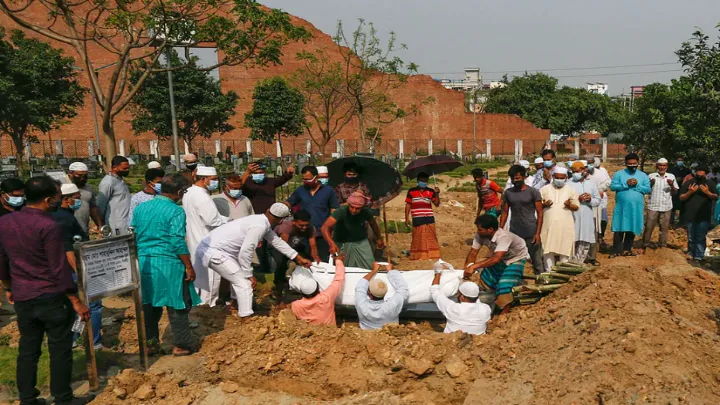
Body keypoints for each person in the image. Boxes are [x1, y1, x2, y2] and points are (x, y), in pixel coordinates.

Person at [0, 176, 92, 405]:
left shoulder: (6, 222)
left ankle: (28, 398)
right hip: (51, 297)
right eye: (58, 198)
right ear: (49, 199)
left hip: (23, 296)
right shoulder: (49, 225)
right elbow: (58, 267)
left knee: (28, 349)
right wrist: (75, 299)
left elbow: (1, 260)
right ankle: (63, 398)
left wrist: (8, 286)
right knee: (60, 348)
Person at [194, 203, 311, 318]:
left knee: (238, 278)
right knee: (244, 283)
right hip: (214, 251)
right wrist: (249, 274)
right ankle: (246, 317)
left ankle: (235, 305)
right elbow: (246, 251)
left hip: (220, 251)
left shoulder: (261, 221)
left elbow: (276, 241)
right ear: (281, 220)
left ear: (268, 210)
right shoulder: (259, 226)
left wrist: (297, 257)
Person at [132, 174, 201, 356]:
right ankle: (182, 344)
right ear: (179, 192)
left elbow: (134, 233)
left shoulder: (141, 208)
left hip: (145, 262)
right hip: (168, 263)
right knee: (177, 304)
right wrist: (188, 266)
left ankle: (150, 344)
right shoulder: (175, 211)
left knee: (149, 305)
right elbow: (177, 241)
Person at [51, 184, 104, 350]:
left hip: (60, 270)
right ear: (66, 199)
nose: (79, 202)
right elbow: (69, 251)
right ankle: (93, 342)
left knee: (73, 307)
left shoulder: (57, 215)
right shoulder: (65, 219)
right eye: (77, 198)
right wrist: (81, 273)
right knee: (93, 305)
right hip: (72, 269)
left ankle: (73, 338)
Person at [182, 165, 229, 306]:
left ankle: (199, 302)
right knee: (211, 275)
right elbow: (212, 220)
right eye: (213, 179)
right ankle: (210, 304)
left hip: (194, 238)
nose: (216, 182)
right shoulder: (202, 196)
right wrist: (229, 221)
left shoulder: (188, 192)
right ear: (203, 179)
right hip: (207, 240)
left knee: (199, 275)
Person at [464, 214, 529, 310]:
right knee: (486, 278)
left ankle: (504, 312)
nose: (478, 231)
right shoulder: (480, 235)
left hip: (515, 258)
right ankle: (492, 299)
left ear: (490, 229)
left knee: (504, 285)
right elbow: (473, 252)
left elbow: (496, 259)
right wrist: (467, 268)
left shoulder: (504, 237)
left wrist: (474, 266)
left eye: (480, 229)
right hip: (501, 256)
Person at [241, 161, 296, 273]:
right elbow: (237, 184)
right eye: (256, 173)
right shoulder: (247, 183)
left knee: (271, 247)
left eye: (261, 172)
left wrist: (289, 172)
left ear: (265, 173)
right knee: (258, 249)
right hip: (255, 221)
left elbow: (283, 179)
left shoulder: (269, 182)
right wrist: (247, 172)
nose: (259, 175)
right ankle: (260, 271)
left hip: (271, 221)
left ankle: (272, 270)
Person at [286, 166, 339, 260]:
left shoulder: (328, 191)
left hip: (322, 233)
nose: (306, 181)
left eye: (308, 179)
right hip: (304, 233)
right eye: (304, 179)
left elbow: (334, 209)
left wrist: (331, 229)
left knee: (322, 260)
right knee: (305, 260)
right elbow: (289, 203)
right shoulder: (300, 191)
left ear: (316, 177)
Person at [321, 191, 385, 269]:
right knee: (342, 268)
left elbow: (373, 224)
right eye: (352, 207)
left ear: (363, 207)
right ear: (348, 204)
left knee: (368, 266)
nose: (354, 210)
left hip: (360, 241)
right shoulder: (341, 211)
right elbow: (325, 227)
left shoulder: (366, 212)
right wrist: (332, 244)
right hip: (342, 242)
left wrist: (379, 238)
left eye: (357, 208)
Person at [499, 165, 544, 274]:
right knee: (514, 259)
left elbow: (540, 213)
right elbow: (505, 213)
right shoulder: (508, 193)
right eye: (513, 178)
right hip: (515, 231)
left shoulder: (533, 192)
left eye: (518, 178)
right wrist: (500, 230)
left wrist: (537, 233)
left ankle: (541, 282)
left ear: (524, 177)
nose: (515, 180)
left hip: (530, 231)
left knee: (537, 260)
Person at [610, 153, 652, 258]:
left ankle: (627, 249)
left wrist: (637, 185)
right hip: (622, 206)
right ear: (626, 164)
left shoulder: (643, 175)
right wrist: (626, 184)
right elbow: (613, 187)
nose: (632, 165)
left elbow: (648, 189)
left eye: (634, 163)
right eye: (630, 164)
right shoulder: (619, 174)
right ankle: (616, 251)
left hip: (636, 207)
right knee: (619, 227)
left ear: (637, 163)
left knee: (632, 226)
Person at [273, 209, 321, 296]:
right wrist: (296, 259)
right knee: (281, 265)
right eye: (301, 225)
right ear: (294, 222)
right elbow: (284, 248)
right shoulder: (285, 227)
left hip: (295, 246)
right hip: (279, 247)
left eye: (306, 225)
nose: (304, 228)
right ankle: (278, 289)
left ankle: (300, 285)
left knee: (307, 261)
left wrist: (316, 259)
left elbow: (313, 247)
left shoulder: (311, 228)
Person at [539, 167, 580, 269]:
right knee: (547, 250)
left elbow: (576, 207)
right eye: (557, 178)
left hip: (565, 226)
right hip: (548, 226)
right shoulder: (544, 189)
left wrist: (569, 205)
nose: (559, 180)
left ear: (566, 177)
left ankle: (562, 274)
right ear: (553, 177)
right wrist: (544, 205)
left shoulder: (571, 190)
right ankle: (549, 273)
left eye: (562, 178)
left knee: (565, 249)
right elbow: (537, 206)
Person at [290, 255, 346, 326]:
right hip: (330, 334)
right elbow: (339, 278)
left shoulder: (295, 306)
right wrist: (338, 261)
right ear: (317, 289)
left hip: (310, 335)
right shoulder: (326, 298)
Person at [679, 166, 718, 262]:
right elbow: (681, 197)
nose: (700, 173)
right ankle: (691, 254)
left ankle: (699, 256)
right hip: (690, 214)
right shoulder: (689, 183)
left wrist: (707, 192)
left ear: (705, 173)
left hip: (704, 215)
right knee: (691, 237)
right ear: (695, 172)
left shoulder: (710, 183)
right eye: (698, 171)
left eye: (702, 171)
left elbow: (716, 197)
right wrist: (690, 192)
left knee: (700, 237)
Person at [355, 262, 409, 330]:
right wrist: (390, 271)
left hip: (366, 334)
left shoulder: (362, 305)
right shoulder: (392, 304)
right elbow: (403, 289)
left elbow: (360, 286)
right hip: (389, 335)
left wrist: (374, 271)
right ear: (386, 292)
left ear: (369, 292)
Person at [568, 161, 601, 264]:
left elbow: (597, 200)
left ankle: (580, 260)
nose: (575, 174)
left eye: (577, 171)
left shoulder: (591, 184)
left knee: (585, 237)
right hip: (572, 215)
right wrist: (577, 199)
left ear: (583, 170)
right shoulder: (568, 184)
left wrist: (589, 200)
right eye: (573, 172)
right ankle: (570, 261)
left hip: (587, 214)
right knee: (573, 237)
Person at [643, 158, 679, 250]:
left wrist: (671, 185)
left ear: (667, 166)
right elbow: (646, 190)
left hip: (666, 206)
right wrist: (651, 184)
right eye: (660, 165)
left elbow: (675, 192)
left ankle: (662, 245)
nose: (662, 167)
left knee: (664, 228)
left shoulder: (671, 176)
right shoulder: (651, 176)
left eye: (664, 165)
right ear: (657, 166)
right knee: (649, 226)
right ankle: (645, 244)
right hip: (653, 205)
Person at [404, 172, 441, 260]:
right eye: (422, 181)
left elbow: (436, 204)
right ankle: (418, 255)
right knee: (417, 237)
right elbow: (408, 205)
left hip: (428, 217)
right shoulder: (411, 191)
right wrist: (406, 218)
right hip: (417, 217)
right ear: (418, 181)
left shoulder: (431, 191)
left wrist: (437, 194)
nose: (423, 182)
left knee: (430, 236)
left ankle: (432, 255)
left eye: (425, 181)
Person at [97, 155, 131, 236]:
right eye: (124, 169)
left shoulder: (119, 180)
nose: (127, 170)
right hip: (115, 225)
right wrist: (101, 224)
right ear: (115, 167)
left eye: (128, 168)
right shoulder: (108, 182)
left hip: (125, 222)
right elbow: (100, 205)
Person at [69, 162, 104, 234]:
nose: (82, 178)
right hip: (67, 230)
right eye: (79, 175)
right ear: (70, 173)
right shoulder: (61, 185)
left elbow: (93, 208)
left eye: (85, 176)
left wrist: (100, 225)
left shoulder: (88, 188)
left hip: (84, 229)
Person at [585, 157, 611, 251]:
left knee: (602, 220)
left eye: (591, 163)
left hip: (600, 201)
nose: (590, 165)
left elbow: (607, 182)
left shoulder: (600, 172)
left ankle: (600, 237)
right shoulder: (582, 173)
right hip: (587, 202)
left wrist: (601, 190)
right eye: (588, 163)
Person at [669, 156, 692, 227]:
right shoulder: (672, 170)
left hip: (683, 190)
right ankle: (671, 222)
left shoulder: (687, 170)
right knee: (672, 206)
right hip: (674, 190)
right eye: (679, 160)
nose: (680, 162)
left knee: (683, 206)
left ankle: (682, 223)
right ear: (676, 161)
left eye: (681, 160)